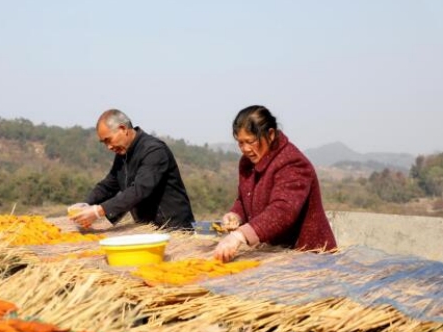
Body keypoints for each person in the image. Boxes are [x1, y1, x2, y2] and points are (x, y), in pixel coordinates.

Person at [214, 105, 337, 262]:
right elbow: (244, 199)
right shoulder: (247, 164)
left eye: (250, 142)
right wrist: (235, 215)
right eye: (240, 143)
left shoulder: (292, 163)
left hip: (309, 258)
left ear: (270, 135)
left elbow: (283, 211)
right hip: (273, 255)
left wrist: (240, 235)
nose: (245, 149)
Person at [71, 109, 195, 230]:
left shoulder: (154, 150)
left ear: (123, 129)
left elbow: (139, 190)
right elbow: (108, 185)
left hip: (173, 228)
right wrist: (86, 204)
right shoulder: (123, 154)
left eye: (108, 140)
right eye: (104, 142)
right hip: (147, 228)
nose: (108, 147)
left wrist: (99, 211)